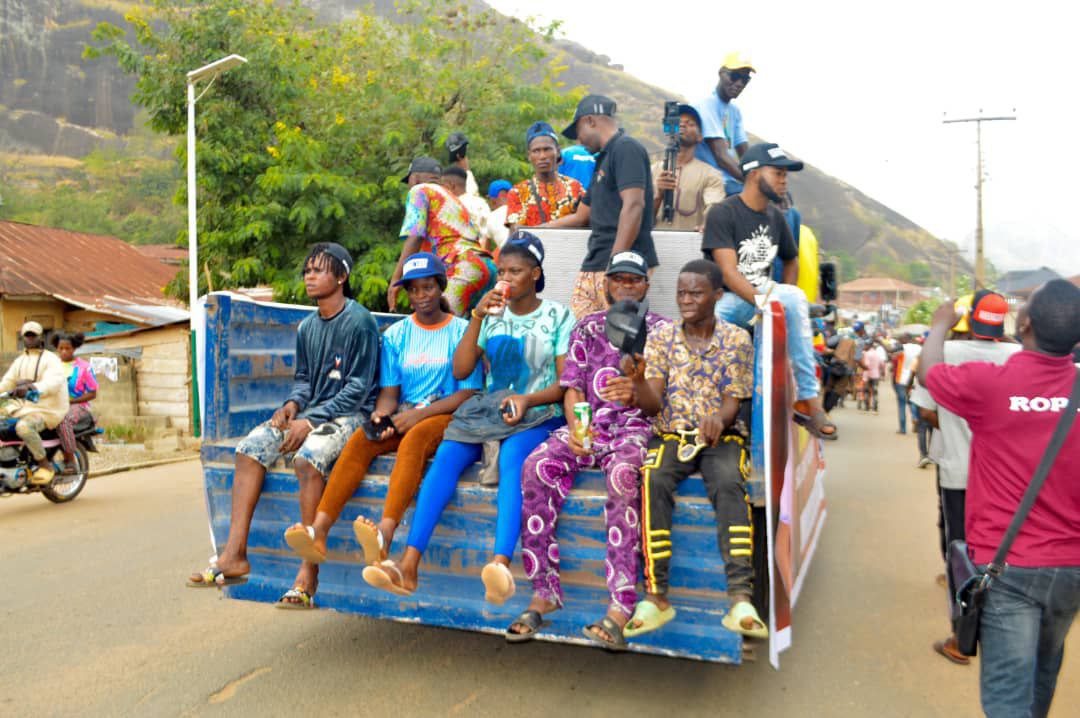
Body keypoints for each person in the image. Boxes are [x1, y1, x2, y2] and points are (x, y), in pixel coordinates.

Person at [363, 232, 572, 602]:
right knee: (446, 455)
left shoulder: (557, 315)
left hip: (541, 411)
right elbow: (461, 370)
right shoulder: (490, 315)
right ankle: (409, 564)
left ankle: (500, 564)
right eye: (501, 272)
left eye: (515, 272)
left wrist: (527, 399)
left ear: (536, 274)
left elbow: (564, 383)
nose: (505, 280)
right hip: (490, 409)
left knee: (512, 458)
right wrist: (476, 316)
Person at [918, 280, 1080, 718]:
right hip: (1071, 569)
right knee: (1043, 673)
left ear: (1023, 324)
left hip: (1008, 569)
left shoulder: (991, 383)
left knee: (1009, 697)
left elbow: (928, 374)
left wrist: (938, 326)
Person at [187, 244, 380, 610]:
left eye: (319, 270)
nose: (309, 276)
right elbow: (304, 380)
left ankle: (308, 573)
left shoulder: (360, 321)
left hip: (351, 414)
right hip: (312, 411)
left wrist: (311, 421)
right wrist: (291, 406)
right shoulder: (307, 326)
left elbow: (358, 388)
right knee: (250, 448)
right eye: (307, 270)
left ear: (341, 277)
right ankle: (234, 555)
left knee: (307, 459)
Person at [281, 253, 481, 568]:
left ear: (440, 288)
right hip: (405, 413)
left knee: (414, 441)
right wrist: (381, 416)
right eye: (413, 290)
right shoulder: (397, 334)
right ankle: (318, 530)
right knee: (362, 439)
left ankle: (384, 535)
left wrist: (417, 415)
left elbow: (468, 393)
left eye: (428, 288)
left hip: (449, 414)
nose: (420, 296)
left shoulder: (462, 330)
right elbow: (389, 394)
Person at [510, 250, 667, 648]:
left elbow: (656, 405)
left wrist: (637, 388)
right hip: (589, 425)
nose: (626, 286)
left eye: (634, 279)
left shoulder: (663, 332)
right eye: (618, 279)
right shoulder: (587, 328)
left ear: (646, 285)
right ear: (606, 285)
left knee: (622, 476)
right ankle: (544, 593)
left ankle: (620, 606)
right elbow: (573, 387)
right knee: (536, 466)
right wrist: (577, 431)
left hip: (633, 429)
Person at [622, 259, 766, 640]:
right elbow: (652, 404)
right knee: (652, 476)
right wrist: (638, 385)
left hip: (721, 438)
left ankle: (740, 598)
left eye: (696, 292)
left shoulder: (737, 339)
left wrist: (719, 419)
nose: (686, 300)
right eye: (681, 292)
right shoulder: (663, 337)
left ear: (717, 296)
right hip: (672, 434)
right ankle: (656, 596)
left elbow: (733, 400)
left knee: (730, 481)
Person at [909, 291, 1022, 665]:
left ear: (968, 319)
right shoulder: (1019, 358)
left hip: (958, 472)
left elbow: (925, 412)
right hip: (1006, 480)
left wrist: (956, 424)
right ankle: (1003, 625)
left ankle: (963, 639)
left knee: (962, 555)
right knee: (1001, 552)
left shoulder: (946, 355)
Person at [704, 142, 837, 440]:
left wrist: (781, 295)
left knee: (790, 305)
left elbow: (790, 258)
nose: (783, 180)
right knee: (716, 319)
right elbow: (728, 271)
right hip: (728, 297)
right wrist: (768, 302)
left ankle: (805, 397)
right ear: (753, 174)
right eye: (778, 173)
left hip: (762, 297)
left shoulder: (776, 217)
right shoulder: (723, 213)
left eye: (785, 174)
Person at [546, 95, 659, 318]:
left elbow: (634, 204)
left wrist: (616, 265)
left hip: (623, 264)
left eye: (578, 133)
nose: (579, 141)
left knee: (617, 338)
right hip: (594, 261)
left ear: (590, 121)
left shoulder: (626, 148)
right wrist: (538, 228)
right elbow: (581, 216)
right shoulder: (602, 159)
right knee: (583, 332)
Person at [389, 156, 496, 316]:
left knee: (439, 325)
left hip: (463, 268)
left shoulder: (419, 190)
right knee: (470, 333)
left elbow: (415, 236)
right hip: (486, 267)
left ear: (414, 177)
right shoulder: (451, 197)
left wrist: (395, 281)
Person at [0, 321, 69, 485]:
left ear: (41, 338)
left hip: (48, 410)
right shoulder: (20, 361)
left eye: (33, 335)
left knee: (24, 427)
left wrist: (33, 387)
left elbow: (53, 382)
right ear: (23, 338)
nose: (30, 339)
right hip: (26, 408)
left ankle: (45, 464)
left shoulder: (52, 359)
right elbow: (7, 382)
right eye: (27, 335)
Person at [652, 104, 726, 232]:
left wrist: (709, 223)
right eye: (678, 123)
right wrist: (658, 196)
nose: (682, 125)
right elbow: (639, 219)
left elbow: (714, 208)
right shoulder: (651, 171)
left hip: (690, 247)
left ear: (700, 136)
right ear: (668, 130)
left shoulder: (711, 174)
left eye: (690, 123)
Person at [505, 121, 585, 233]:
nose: (542, 156)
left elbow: (586, 220)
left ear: (557, 151)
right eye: (536, 151)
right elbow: (516, 233)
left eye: (547, 149)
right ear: (529, 156)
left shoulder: (575, 188)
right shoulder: (518, 192)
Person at [693, 52, 753, 196]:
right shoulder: (707, 105)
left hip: (730, 182)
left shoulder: (735, 111)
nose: (739, 83)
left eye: (745, 79)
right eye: (735, 76)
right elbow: (721, 157)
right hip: (712, 180)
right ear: (721, 73)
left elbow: (745, 154)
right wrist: (753, 182)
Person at [51, 331, 98, 474]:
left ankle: (70, 460)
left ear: (74, 348)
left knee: (63, 420)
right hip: (54, 406)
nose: (64, 352)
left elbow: (92, 392)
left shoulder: (84, 367)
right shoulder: (51, 366)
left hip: (78, 407)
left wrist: (71, 400)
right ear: (56, 348)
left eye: (67, 348)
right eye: (61, 348)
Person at [441, 166, 492, 248]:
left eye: (443, 186)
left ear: (451, 185)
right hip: (481, 254)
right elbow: (487, 236)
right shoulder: (482, 203)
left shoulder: (450, 206)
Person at [890, 333, 922, 436]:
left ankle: (902, 429)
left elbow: (892, 354)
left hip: (901, 379)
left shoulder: (902, 348)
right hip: (915, 379)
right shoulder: (920, 348)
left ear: (905, 339)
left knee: (902, 404)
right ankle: (915, 418)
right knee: (913, 401)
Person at [445, 131, 479, 196]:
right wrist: (467, 170)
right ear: (459, 155)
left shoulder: (447, 176)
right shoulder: (466, 178)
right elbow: (472, 196)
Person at [486, 180, 512, 248]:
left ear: (493, 200)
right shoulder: (522, 211)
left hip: (508, 255)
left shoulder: (491, 217)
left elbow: (485, 248)